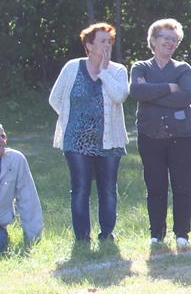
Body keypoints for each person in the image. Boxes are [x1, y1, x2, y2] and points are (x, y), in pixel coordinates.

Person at [49, 23, 129, 243]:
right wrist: (73, 119)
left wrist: (103, 71)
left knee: (108, 189)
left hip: (109, 141)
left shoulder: (118, 71)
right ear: (89, 45)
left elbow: (119, 96)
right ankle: (82, 237)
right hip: (76, 141)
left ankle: (107, 234)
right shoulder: (72, 67)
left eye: (109, 41)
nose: (107, 45)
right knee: (80, 188)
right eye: (102, 41)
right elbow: (55, 98)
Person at [130, 19, 191, 257]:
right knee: (156, 186)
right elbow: (137, 91)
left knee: (182, 186)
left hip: (183, 136)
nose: (170, 42)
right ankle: (156, 235)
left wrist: (151, 93)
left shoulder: (183, 69)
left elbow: (186, 96)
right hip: (150, 135)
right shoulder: (140, 67)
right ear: (153, 40)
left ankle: (182, 234)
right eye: (166, 38)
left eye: (174, 39)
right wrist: (169, 87)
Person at [0, 123, 44, 251]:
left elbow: (28, 200)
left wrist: (33, 240)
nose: (2, 140)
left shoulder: (16, 160)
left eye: (2, 136)